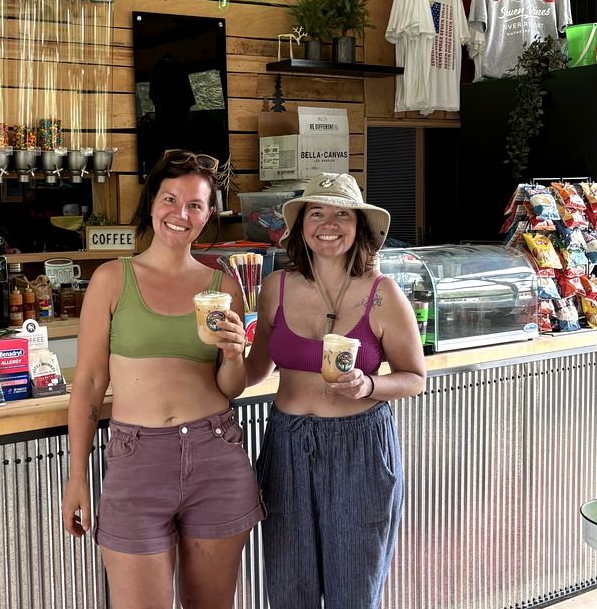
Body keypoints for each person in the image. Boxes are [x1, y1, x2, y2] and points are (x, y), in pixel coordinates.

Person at [62, 149, 263, 609]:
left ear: (208, 214)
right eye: (170, 199)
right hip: (137, 460)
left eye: (195, 205)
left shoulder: (224, 285)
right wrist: (77, 476)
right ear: (152, 201)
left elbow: (232, 386)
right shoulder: (113, 279)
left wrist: (234, 355)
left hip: (218, 455)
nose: (180, 214)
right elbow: (90, 384)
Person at [245, 172, 426, 609]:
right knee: (290, 588)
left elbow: (415, 378)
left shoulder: (383, 295)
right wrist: (228, 350)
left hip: (360, 446)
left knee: (354, 590)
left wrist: (370, 384)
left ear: (359, 225)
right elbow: (254, 372)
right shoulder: (276, 288)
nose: (329, 224)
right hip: (287, 444)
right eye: (317, 213)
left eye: (342, 214)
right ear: (302, 226)